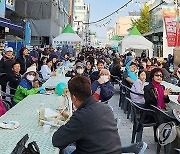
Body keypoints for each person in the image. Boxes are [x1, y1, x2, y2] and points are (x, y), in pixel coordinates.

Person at [52, 76, 121, 153]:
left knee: (65, 150)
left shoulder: (80, 116)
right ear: (91, 91)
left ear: (74, 98)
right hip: (114, 151)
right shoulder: (106, 108)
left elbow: (57, 141)